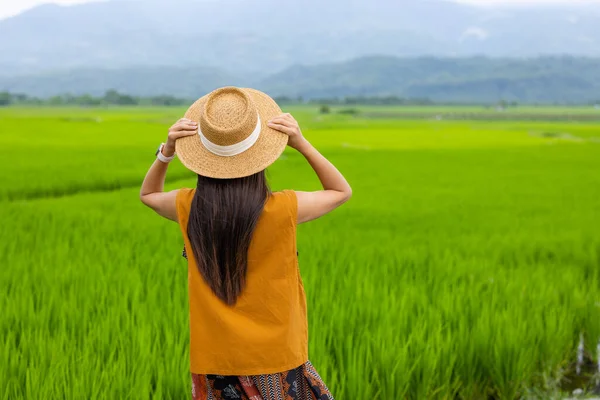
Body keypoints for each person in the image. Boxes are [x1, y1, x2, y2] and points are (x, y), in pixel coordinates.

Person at [140, 87, 352, 400]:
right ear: (261, 157)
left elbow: (148, 195)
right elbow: (340, 191)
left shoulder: (189, 206)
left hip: (215, 357)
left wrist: (167, 151)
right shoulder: (283, 208)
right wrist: (301, 142)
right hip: (277, 354)